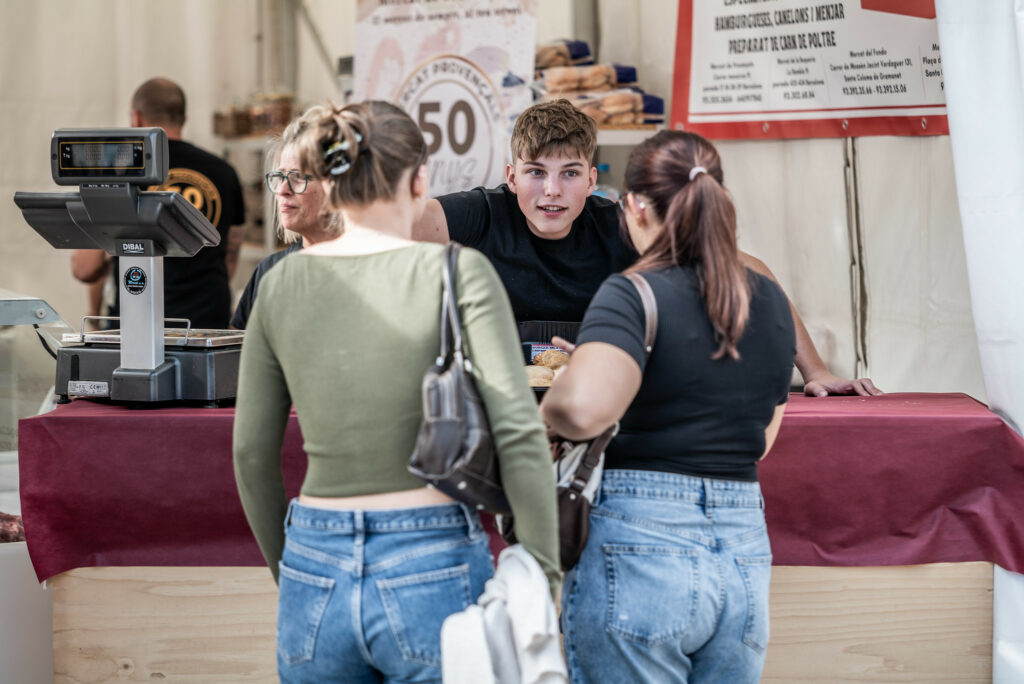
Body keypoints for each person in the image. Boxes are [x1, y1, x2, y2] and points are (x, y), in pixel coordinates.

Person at [232, 101, 559, 683]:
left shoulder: (278, 282)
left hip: (314, 557)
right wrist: (544, 576)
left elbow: (251, 455)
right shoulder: (457, 272)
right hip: (429, 553)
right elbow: (519, 432)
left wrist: (296, 572)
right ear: (419, 181)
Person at [541, 130, 795, 683]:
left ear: (632, 207)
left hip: (641, 542)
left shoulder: (633, 293)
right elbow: (766, 435)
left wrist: (563, 389)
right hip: (743, 548)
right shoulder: (770, 299)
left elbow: (583, 411)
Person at [412, 99, 881, 397]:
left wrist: (816, 371)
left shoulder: (619, 227)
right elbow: (375, 231)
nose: (552, 191)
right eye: (536, 172)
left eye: (570, 173)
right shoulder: (479, 214)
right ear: (512, 177)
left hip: (594, 404)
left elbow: (749, 271)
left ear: (594, 181)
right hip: (494, 401)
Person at [71, 77, 246, 330]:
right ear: (183, 119)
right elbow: (231, 251)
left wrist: (93, 314)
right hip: (206, 325)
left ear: (137, 118)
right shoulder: (224, 172)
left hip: (138, 323)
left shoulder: (120, 173)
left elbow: (85, 268)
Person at [230, 105, 343, 329]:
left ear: (336, 184)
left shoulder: (364, 266)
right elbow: (239, 353)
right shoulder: (269, 271)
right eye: (279, 176)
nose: (282, 190)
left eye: (298, 177)